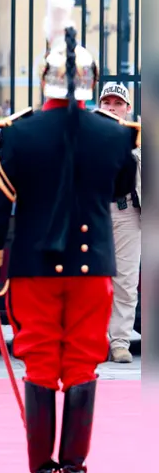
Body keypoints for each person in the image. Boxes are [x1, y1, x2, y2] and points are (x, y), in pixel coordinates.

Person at [0, 0, 138, 473]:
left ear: (42, 79)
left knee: (42, 362)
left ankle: (41, 472)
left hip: (32, 266)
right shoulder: (116, 134)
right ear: (91, 83)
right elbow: (118, 187)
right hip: (93, 266)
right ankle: (75, 472)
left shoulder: (16, 134)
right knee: (84, 362)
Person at [96, 82, 141, 364]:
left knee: (125, 280)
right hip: (94, 212)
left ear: (127, 108)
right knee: (94, 279)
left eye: (118, 104)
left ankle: (120, 341)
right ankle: (96, 338)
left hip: (127, 211)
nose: (112, 108)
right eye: (107, 103)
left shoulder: (136, 136)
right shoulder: (87, 134)